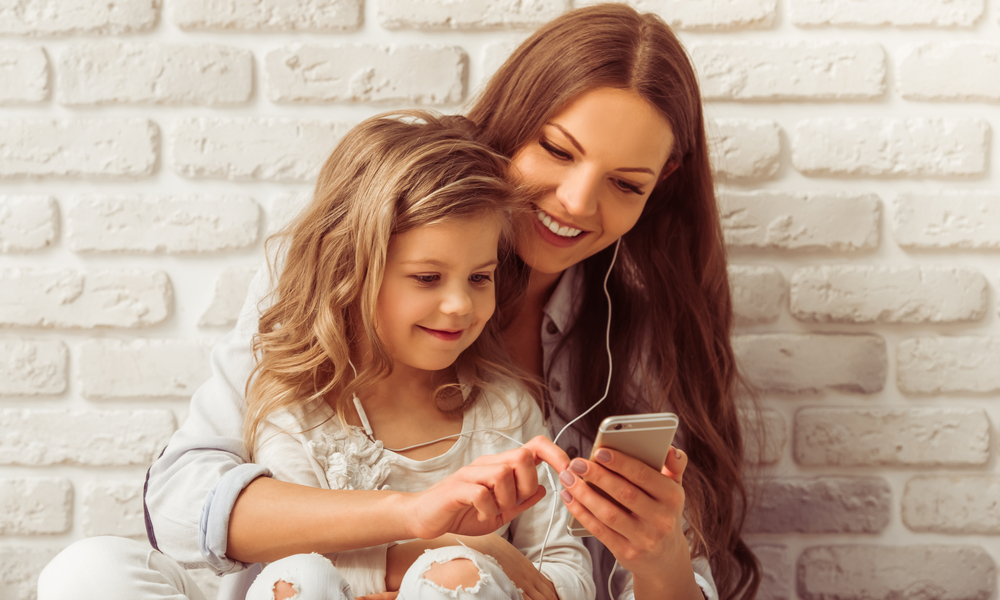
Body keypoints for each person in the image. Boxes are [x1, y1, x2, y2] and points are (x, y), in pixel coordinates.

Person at [38, 4, 760, 600]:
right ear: (512, 124)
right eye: (557, 149)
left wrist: (659, 557)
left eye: (626, 184)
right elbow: (181, 499)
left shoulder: (627, 336)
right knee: (88, 574)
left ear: (661, 184)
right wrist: (412, 529)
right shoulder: (340, 276)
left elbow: (569, 576)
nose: (576, 202)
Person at [238, 111, 594, 600]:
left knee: (459, 573)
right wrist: (476, 550)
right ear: (351, 272)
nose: (460, 306)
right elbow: (292, 570)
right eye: (427, 278)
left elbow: (565, 576)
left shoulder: (505, 412)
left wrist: (472, 572)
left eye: (480, 277)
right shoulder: (299, 415)